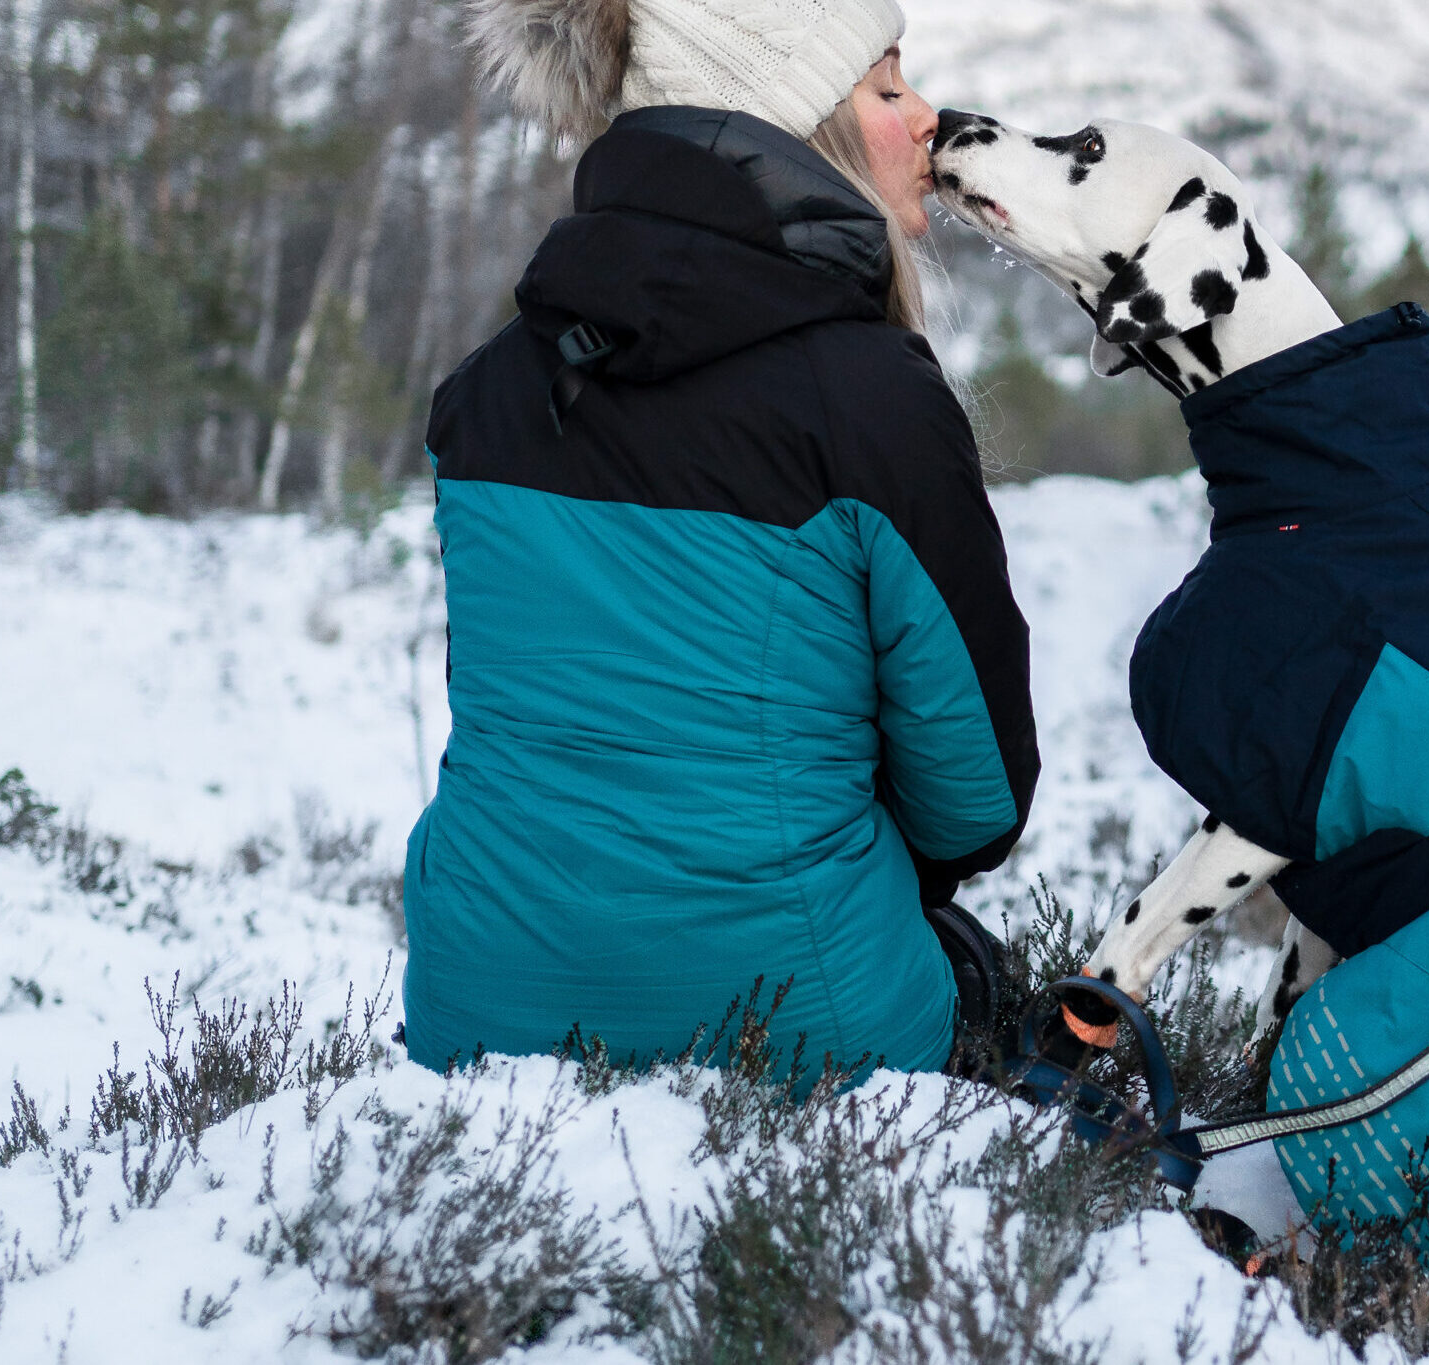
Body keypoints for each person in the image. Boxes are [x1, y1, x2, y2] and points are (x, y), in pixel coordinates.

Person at [401, 0, 1038, 1082]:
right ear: (799, 128)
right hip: (804, 1025)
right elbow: (973, 805)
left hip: (476, 1012)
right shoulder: (876, 402)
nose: (926, 116)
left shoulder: (484, 394)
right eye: (887, 85)